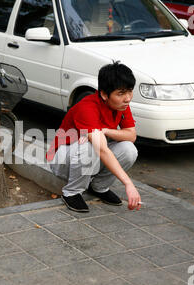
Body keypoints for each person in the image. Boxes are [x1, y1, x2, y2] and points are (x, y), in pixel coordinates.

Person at [46, 61, 141, 212]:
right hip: (62, 159)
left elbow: (131, 135)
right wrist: (128, 184)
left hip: (87, 157)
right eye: (121, 93)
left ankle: (99, 187)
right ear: (104, 94)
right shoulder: (87, 107)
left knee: (129, 149)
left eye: (129, 91)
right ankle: (72, 192)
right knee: (90, 146)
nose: (128, 98)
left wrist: (106, 131)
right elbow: (102, 149)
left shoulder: (121, 105)